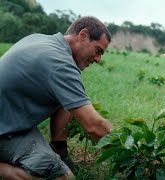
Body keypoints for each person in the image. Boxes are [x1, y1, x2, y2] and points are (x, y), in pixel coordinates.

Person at [0, 16, 113, 179]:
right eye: (98, 51)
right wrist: (132, 151)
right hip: (5, 130)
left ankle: (59, 149)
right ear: (83, 35)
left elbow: (69, 100)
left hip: (11, 120)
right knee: (63, 177)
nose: (98, 59)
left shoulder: (40, 40)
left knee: (67, 96)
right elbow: (94, 125)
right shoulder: (60, 64)